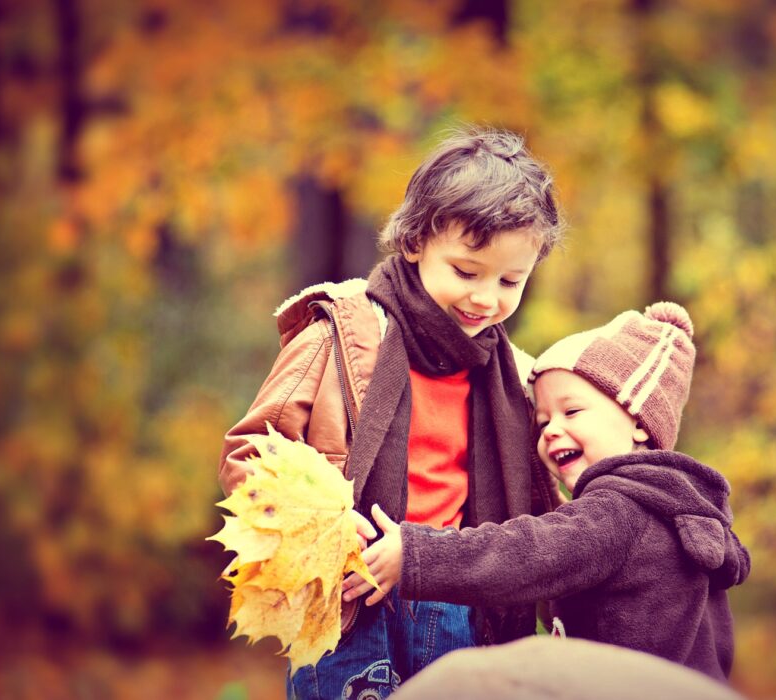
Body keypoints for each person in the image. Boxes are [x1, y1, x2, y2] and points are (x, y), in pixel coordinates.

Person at [218, 126, 564, 699]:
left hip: (460, 609)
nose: (486, 298)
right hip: (351, 604)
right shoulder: (343, 335)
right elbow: (252, 454)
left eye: (511, 281)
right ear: (414, 242)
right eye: (466, 272)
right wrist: (326, 520)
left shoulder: (514, 378)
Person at [344, 303, 751, 682]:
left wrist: (416, 554)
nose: (552, 429)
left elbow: (525, 554)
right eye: (542, 421)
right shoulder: (677, 510)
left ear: (640, 422)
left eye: (571, 411)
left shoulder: (619, 511)